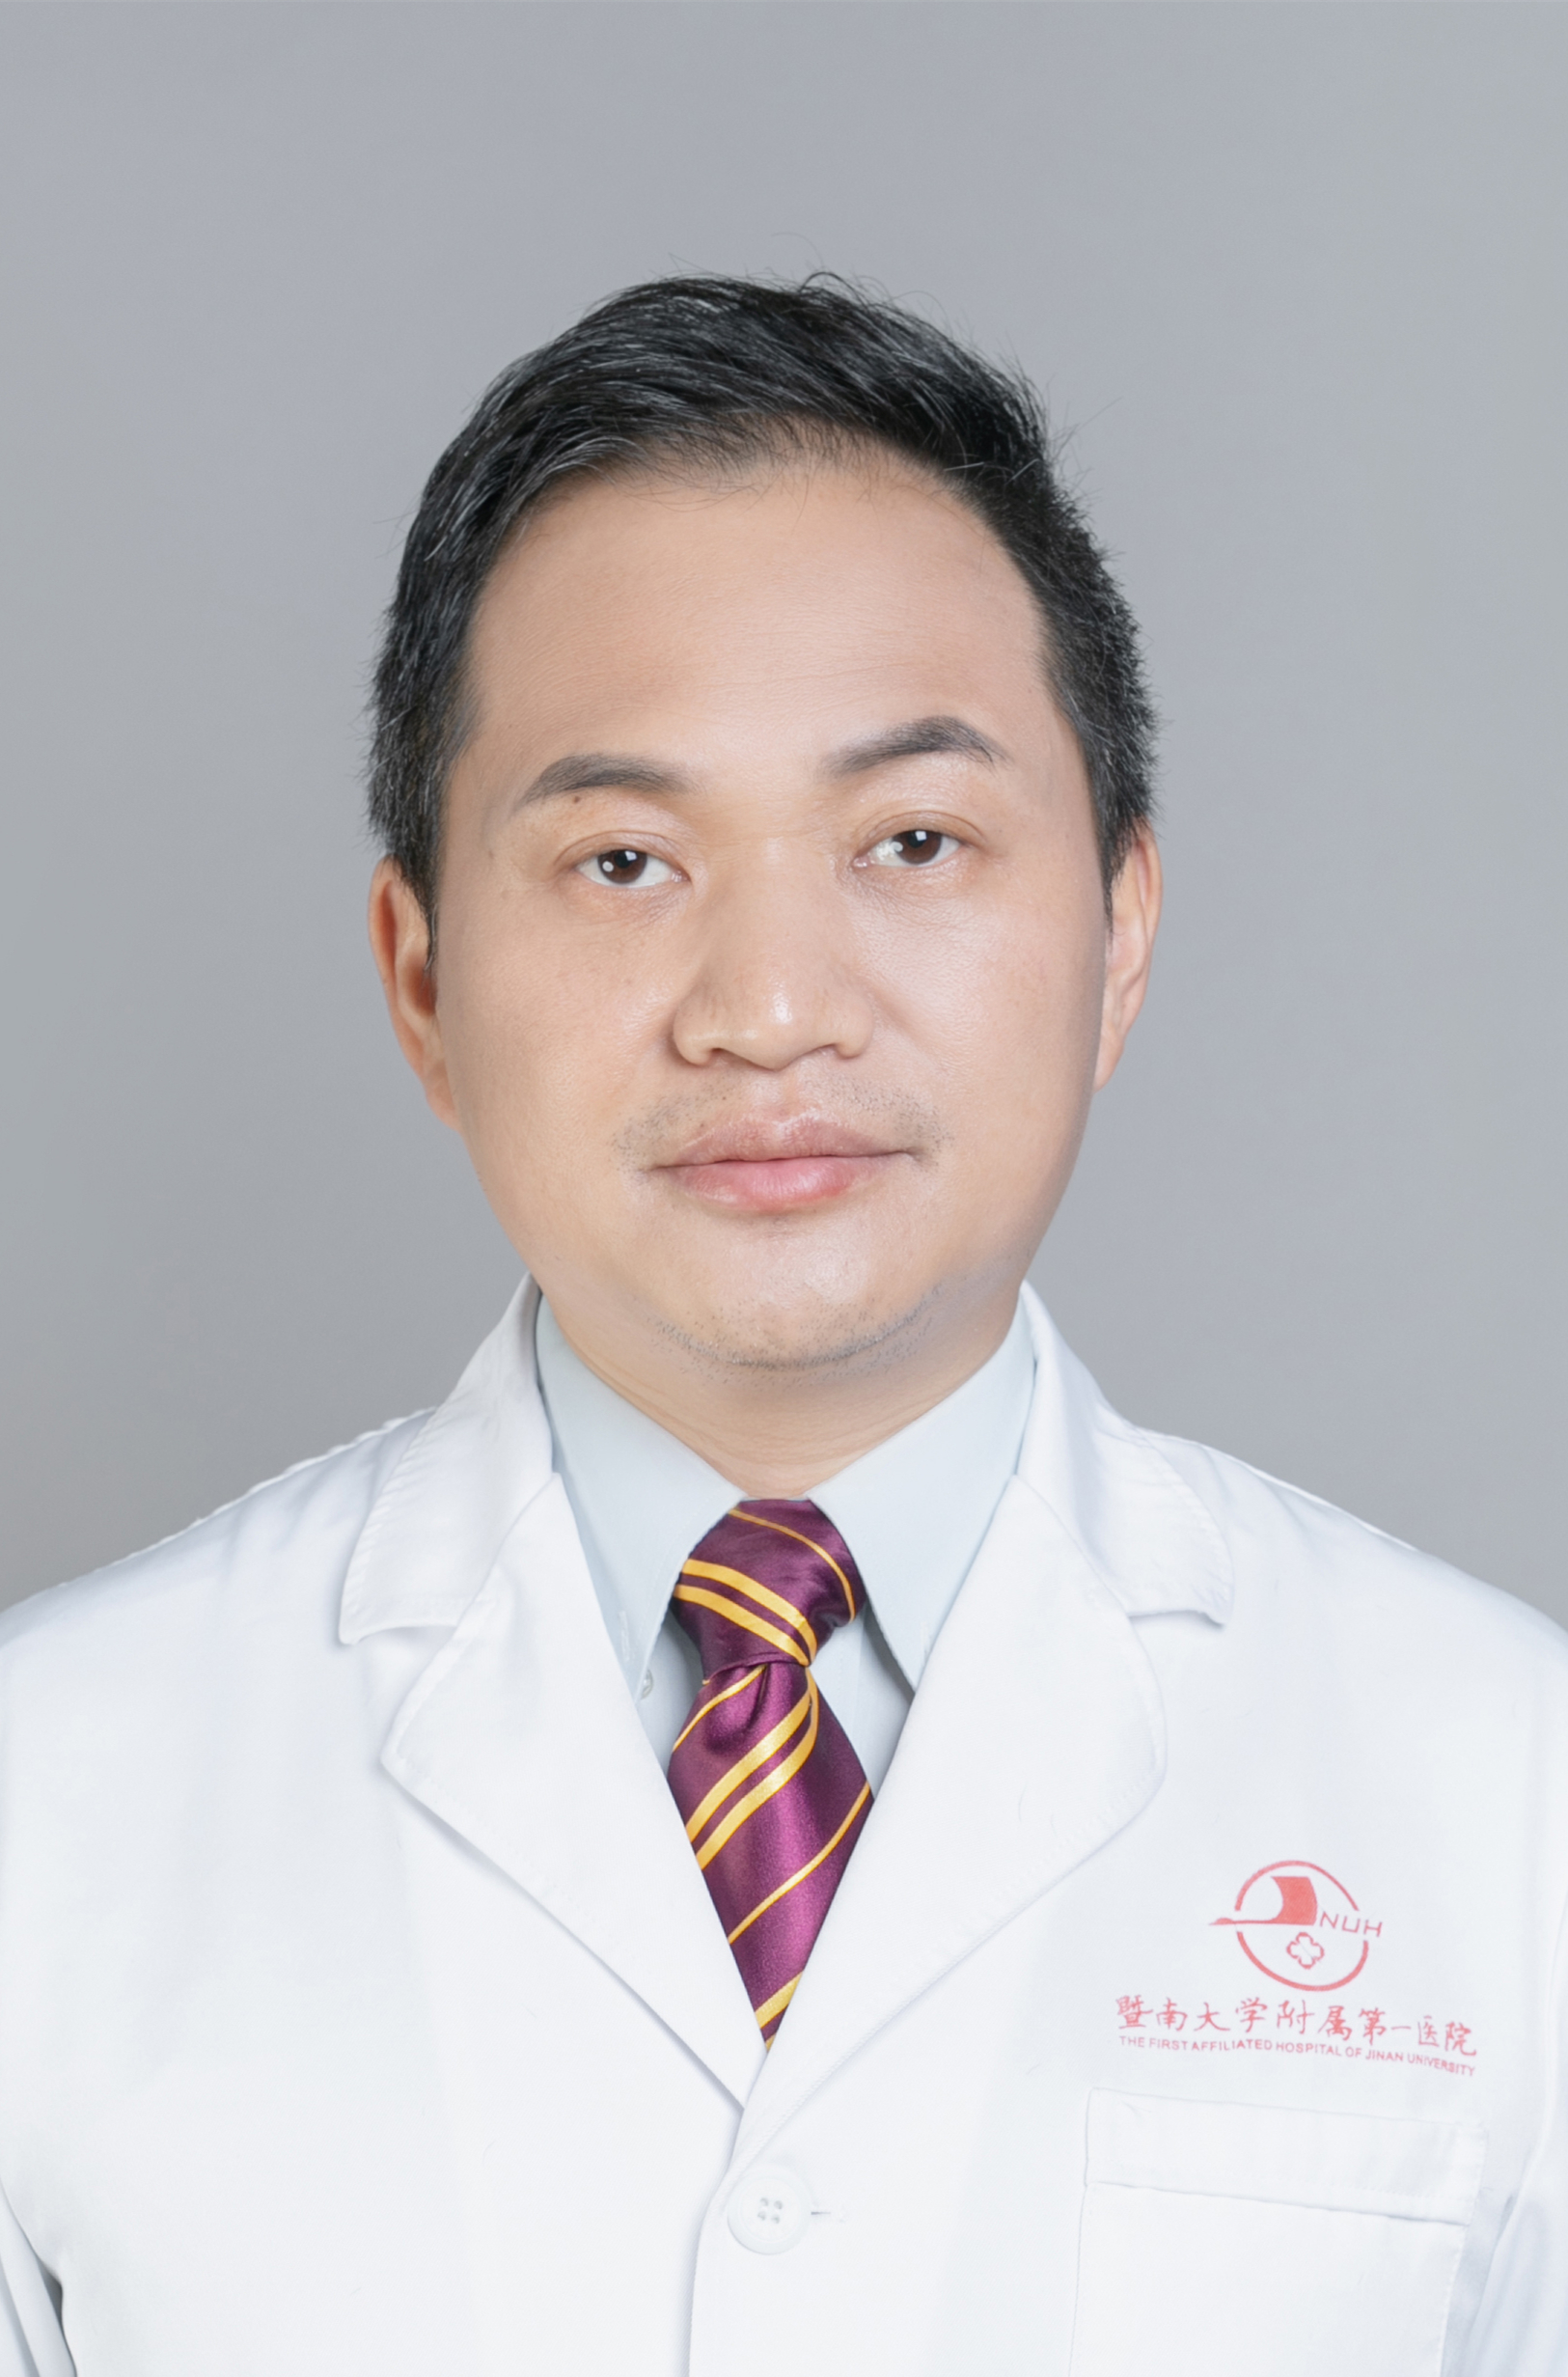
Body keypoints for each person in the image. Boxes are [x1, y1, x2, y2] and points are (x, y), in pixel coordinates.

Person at [0, 275, 1563, 2377]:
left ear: (1118, 932)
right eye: (623, 858)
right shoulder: (51, 1795)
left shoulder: (1506, 1794)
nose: (770, 1006)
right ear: (422, 977)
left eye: (912, 840)